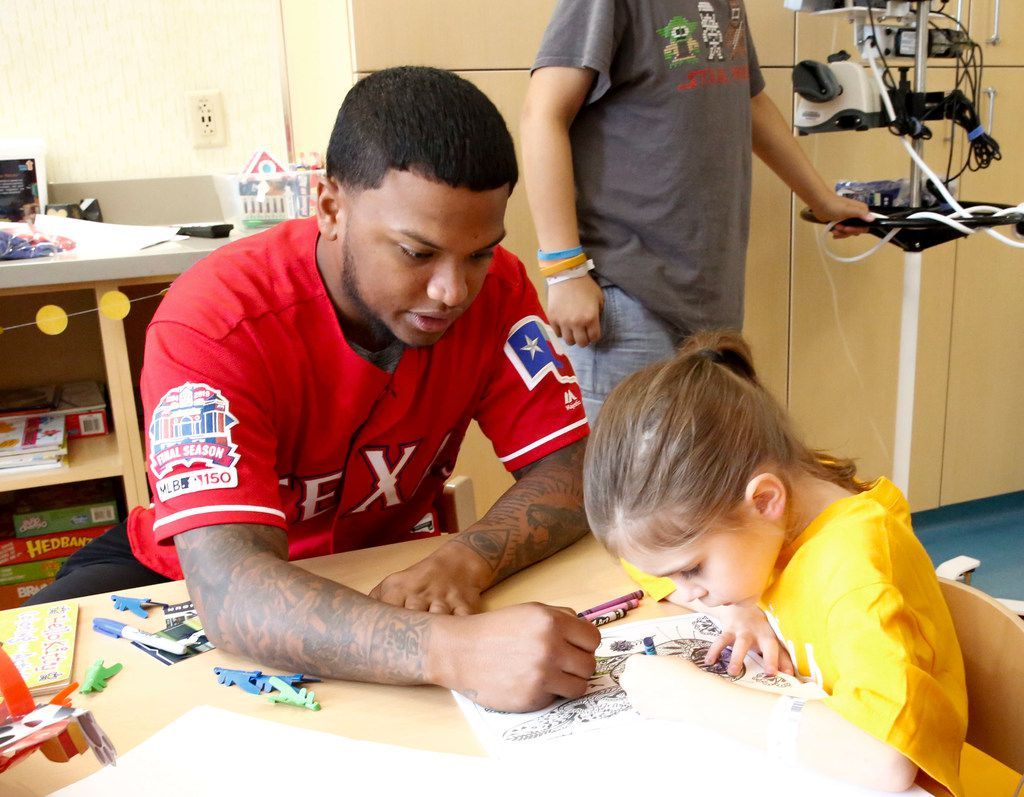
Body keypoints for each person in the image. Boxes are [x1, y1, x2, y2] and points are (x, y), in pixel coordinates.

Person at [26, 66, 600, 713]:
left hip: (383, 572)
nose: (453, 290)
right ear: (329, 206)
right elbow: (232, 591)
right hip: (175, 579)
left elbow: (571, 468)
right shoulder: (214, 319)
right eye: (417, 252)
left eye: (479, 254)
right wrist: (454, 650)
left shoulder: (496, 293)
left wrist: (467, 557)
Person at [583, 330, 967, 795]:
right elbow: (649, 559)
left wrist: (691, 698)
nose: (686, 593)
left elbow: (883, 760)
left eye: (692, 570)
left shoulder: (853, 570)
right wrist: (734, 606)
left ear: (764, 500)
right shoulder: (772, 511)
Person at [521, 0, 873, 420]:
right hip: (625, 294)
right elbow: (542, 114)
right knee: (630, 481)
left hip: (710, 300)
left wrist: (821, 199)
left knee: (692, 478)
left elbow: (751, 100)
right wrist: (564, 270)